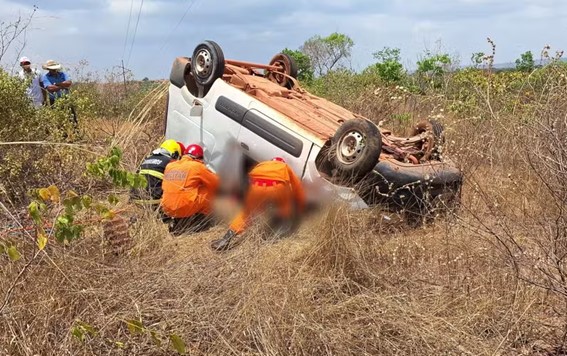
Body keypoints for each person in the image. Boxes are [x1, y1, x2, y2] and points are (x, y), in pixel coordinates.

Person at [211, 157, 306, 251]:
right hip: (277, 187)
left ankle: (225, 239)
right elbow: (297, 187)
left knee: (246, 214)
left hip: (256, 186)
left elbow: (247, 180)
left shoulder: (262, 164)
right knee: (285, 210)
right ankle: (278, 236)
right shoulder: (285, 167)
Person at [161, 144, 220, 235]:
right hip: (183, 208)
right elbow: (216, 183)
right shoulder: (197, 166)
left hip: (167, 208)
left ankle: (180, 218)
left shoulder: (170, 166)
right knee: (208, 191)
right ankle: (203, 219)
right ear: (199, 158)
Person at [130, 139, 184, 208]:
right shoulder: (171, 162)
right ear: (175, 154)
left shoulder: (147, 158)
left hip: (134, 198)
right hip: (151, 201)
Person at [41, 59, 77, 125]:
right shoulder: (45, 77)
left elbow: (69, 83)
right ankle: (63, 134)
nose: (54, 70)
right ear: (49, 69)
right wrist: (62, 86)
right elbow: (50, 88)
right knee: (58, 121)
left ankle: (76, 133)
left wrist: (57, 84)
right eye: (52, 69)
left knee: (72, 119)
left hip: (66, 99)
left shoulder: (63, 74)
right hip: (54, 101)